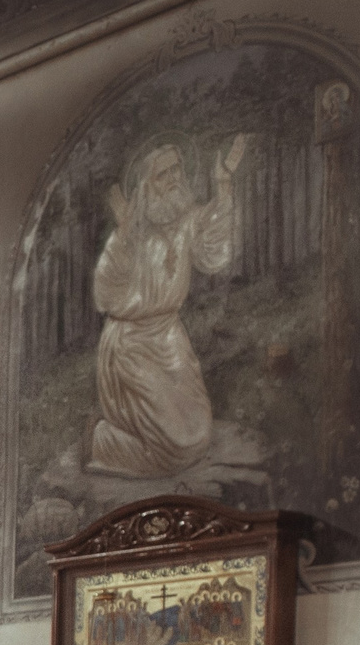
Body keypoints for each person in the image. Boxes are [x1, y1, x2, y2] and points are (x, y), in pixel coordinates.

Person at [89, 136, 247, 478]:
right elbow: (104, 291)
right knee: (175, 445)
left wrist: (223, 184)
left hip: (169, 337)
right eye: (163, 173)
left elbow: (214, 252)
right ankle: (106, 442)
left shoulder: (186, 222)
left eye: (177, 169)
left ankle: (123, 445)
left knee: (197, 438)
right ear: (147, 185)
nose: (174, 177)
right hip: (131, 345)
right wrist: (126, 234)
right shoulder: (130, 234)